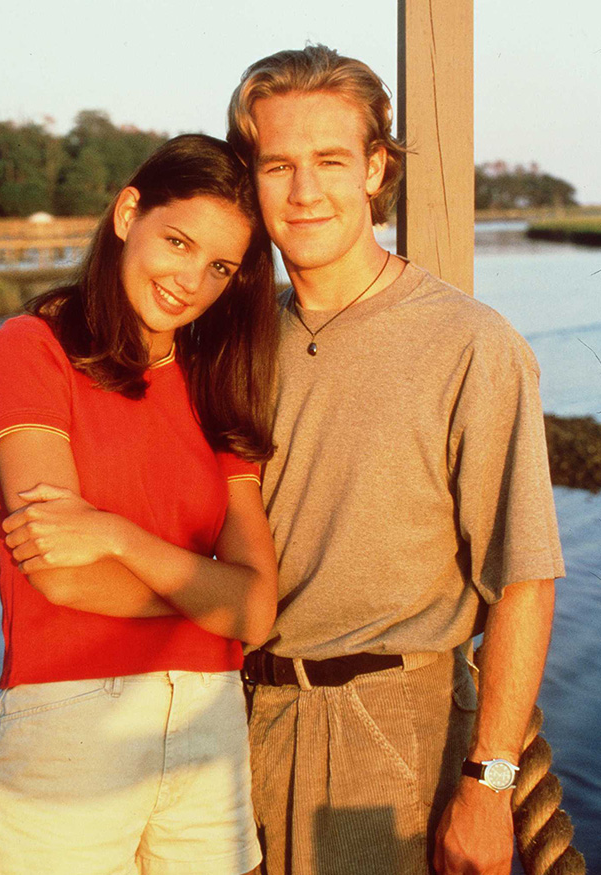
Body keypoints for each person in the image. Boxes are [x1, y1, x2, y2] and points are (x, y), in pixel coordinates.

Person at [227, 45, 564, 875]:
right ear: (251, 178)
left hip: (388, 736)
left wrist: (488, 784)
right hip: (231, 727)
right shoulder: (233, 341)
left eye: (331, 161)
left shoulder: (470, 344)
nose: (305, 192)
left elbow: (523, 576)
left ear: (377, 168)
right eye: (279, 165)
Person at [0, 133, 279, 875]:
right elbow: (61, 573)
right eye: (177, 241)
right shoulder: (33, 347)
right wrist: (213, 594)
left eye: (219, 267)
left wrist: (116, 535)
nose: (189, 281)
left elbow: (257, 613)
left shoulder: (217, 382)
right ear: (127, 212)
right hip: (70, 723)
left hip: (209, 729)